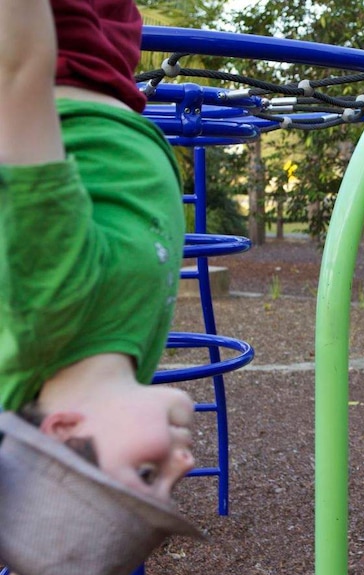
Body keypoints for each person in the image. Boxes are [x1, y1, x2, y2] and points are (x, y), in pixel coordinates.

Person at [0, 1, 199, 573]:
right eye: (170, 485)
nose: (181, 465)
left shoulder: (47, 308)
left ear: (62, 429)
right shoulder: (118, 367)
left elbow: (17, 72)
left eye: (145, 474)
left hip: (62, 43)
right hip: (109, 58)